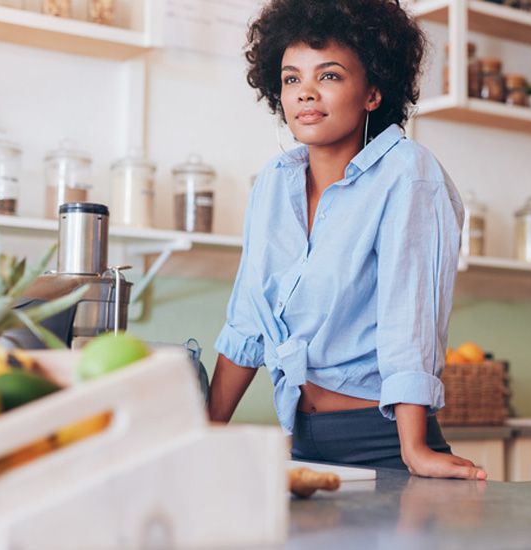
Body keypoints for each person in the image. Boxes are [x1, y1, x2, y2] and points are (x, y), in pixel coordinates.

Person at [208, 0, 485, 480]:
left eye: (329, 76)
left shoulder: (408, 173)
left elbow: (410, 319)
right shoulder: (273, 183)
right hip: (303, 443)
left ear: (373, 92)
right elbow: (248, 323)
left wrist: (414, 448)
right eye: (292, 78)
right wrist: (204, 434)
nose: (306, 93)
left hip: (383, 444)